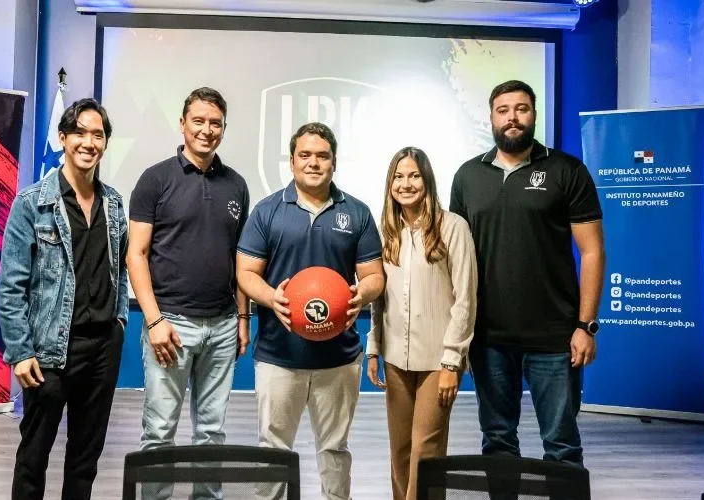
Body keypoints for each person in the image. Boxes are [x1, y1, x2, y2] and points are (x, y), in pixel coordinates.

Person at [449, 80, 605, 467]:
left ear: (534, 115)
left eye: (521, 109)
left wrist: (586, 326)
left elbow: (592, 251)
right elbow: (455, 258)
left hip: (555, 337)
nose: (512, 118)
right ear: (491, 118)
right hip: (489, 338)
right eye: (503, 110)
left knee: (562, 445)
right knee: (498, 442)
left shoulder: (567, 170)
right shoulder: (468, 176)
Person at [237, 122, 385, 500]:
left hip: (338, 358)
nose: (313, 163)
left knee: (334, 450)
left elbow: (374, 277)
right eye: (305, 155)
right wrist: (271, 298)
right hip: (278, 356)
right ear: (292, 161)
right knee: (273, 449)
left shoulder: (357, 212)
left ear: (334, 162)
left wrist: (359, 295)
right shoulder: (268, 210)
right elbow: (246, 273)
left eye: (322, 155)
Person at [0, 97, 128, 500]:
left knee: (85, 461)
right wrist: (20, 351)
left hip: (102, 348)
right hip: (50, 352)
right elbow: (11, 286)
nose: (90, 142)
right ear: (63, 137)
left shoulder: (114, 203)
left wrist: (119, 322)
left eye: (98, 135)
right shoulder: (31, 203)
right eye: (81, 133)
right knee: (33, 458)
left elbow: (120, 272)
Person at [127, 87, 251, 498]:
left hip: (221, 328)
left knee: (212, 434)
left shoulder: (236, 185)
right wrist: (155, 321)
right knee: (160, 432)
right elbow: (136, 255)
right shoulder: (155, 179)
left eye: (215, 123)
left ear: (224, 129)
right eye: (198, 121)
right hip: (171, 326)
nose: (206, 130)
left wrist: (242, 318)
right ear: (182, 124)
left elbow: (240, 259)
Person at [366, 147, 478, 500]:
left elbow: (466, 299)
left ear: (427, 180)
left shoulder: (453, 227)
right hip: (396, 357)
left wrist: (452, 361)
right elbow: (379, 298)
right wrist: (374, 348)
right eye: (398, 177)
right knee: (400, 449)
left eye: (413, 175)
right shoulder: (387, 232)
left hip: (438, 360)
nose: (406, 183)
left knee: (425, 450)